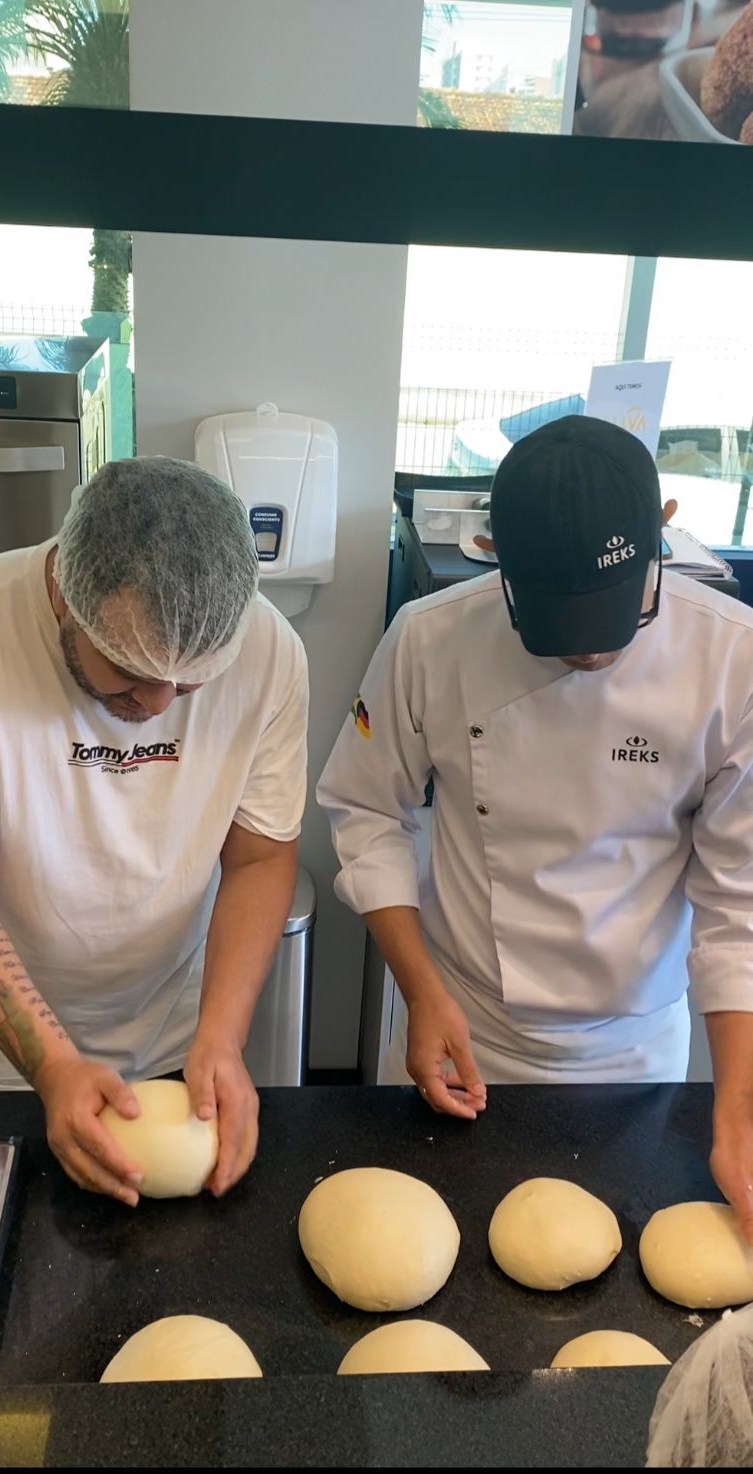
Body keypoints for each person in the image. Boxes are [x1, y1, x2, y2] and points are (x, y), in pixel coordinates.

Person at [318, 417, 753, 1236]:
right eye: (559, 627)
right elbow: (367, 809)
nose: (589, 656)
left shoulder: (733, 662)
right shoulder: (430, 638)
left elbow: (741, 906)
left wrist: (737, 1104)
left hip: (634, 1055)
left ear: (664, 524)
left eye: (615, 616)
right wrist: (421, 990)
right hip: (463, 1022)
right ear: (492, 551)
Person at [0, 457, 308, 1205]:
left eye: (191, 681)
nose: (162, 702)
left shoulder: (269, 652)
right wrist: (55, 1068)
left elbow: (260, 857)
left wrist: (223, 1039)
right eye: (128, 671)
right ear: (68, 592)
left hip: (172, 1036)